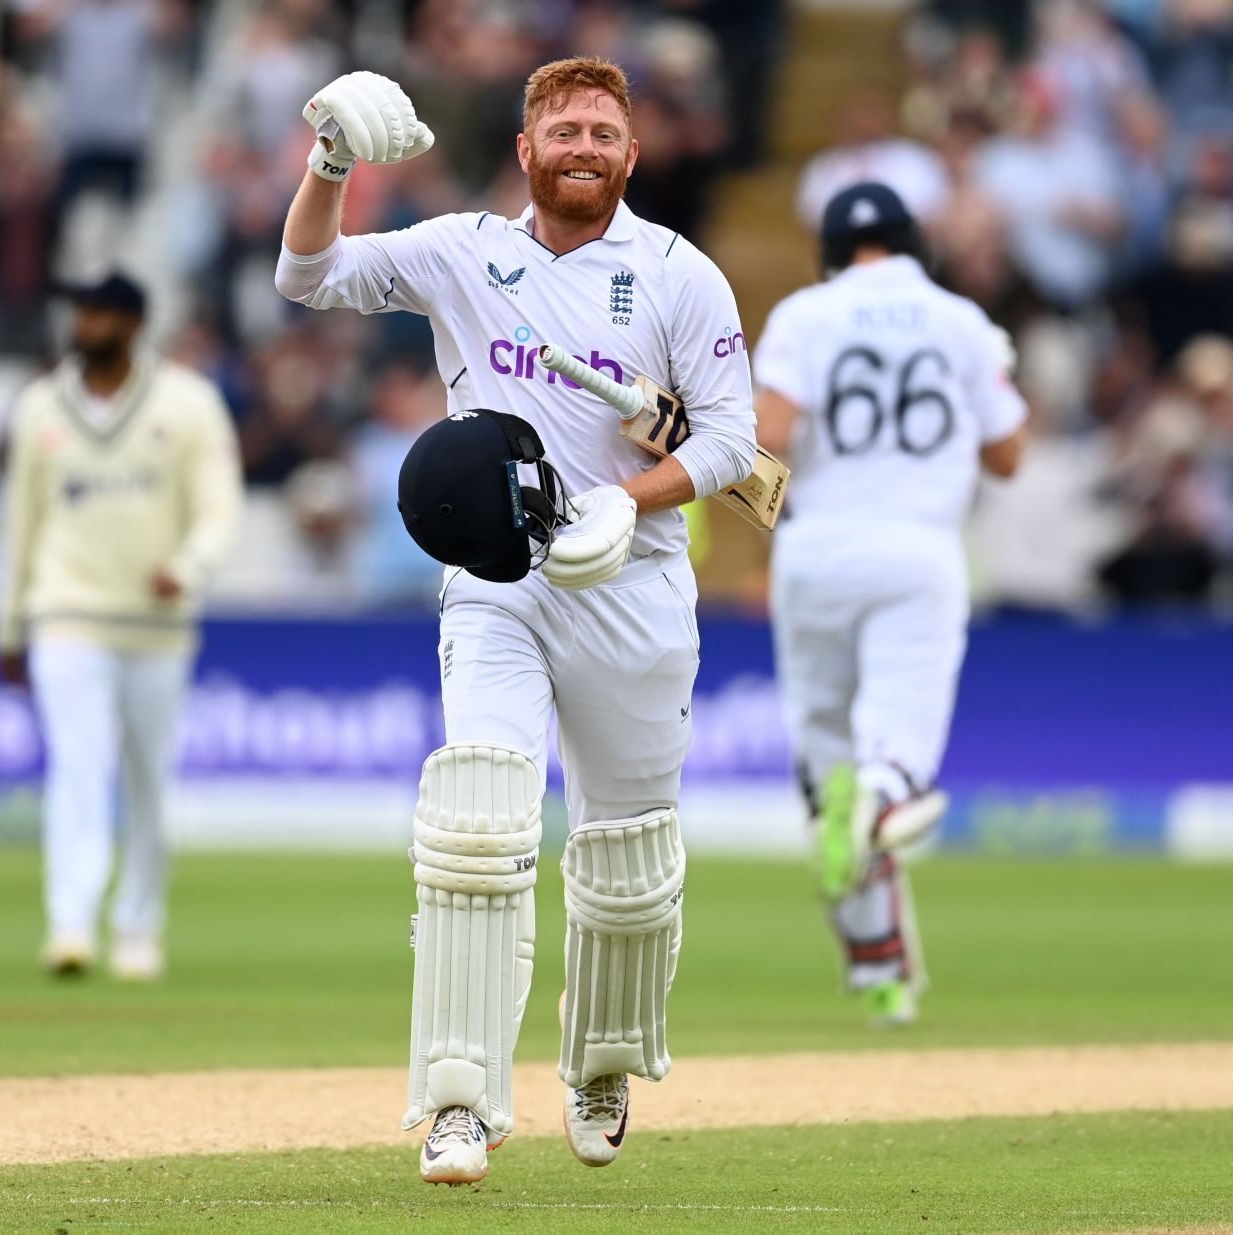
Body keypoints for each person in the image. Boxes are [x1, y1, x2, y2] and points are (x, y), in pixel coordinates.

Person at [275, 58, 757, 1185]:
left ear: (632, 156)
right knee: (480, 817)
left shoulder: (681, 275)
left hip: (632, 580)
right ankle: (458, 1102)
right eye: (563, 129)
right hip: (501, 578)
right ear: (530, 150)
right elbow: (307, 275)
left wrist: (623, 498)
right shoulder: (461, 247)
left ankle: (601, 1061)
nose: (583, 145)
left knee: (627, 860)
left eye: (603, 130)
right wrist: (329, 165)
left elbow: (732, 444)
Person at [754, 183, 1026, 1028]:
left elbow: (766, 440)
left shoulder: (804, 314)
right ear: (914, 243)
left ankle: (880, 971)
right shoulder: (960, 321)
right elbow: (1009, 454)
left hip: (817, 549)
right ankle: (883, 791)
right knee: (894, 754)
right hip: (917, 548)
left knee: (825, 769)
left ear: (832, 249)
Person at [0, 270, 241, 981]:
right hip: (66, 612)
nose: (84, 324)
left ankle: (138, 926)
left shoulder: (188, 404)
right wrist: (8, 624)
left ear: (132, 324)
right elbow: (20, 523)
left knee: (148, 782)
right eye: (79, 311)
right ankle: (70, 923)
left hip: (157, 623)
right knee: (78, 764)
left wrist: (188, 567)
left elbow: (220, 510)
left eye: (98, 313)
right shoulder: (40, 406)